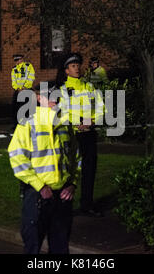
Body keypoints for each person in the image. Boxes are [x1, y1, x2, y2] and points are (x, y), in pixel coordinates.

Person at [8, 81, 80, 254]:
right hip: (37, 196)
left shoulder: (65, 125)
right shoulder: (27, 124)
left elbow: (76, 159)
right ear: (39, 98)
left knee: (61, 247)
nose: (54, 100)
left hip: (62, 196)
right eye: (50, 96)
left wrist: (72, 184)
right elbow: (17, 158)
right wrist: (40, 186)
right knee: (33, 247)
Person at [57, 53, 104, 217]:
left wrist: (91, 121)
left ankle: (87, 204)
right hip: (73, 135)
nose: (77, 68)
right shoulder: (63, 91)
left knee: (89, 170)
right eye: (73, 66)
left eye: (78, 65)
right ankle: (65, 205)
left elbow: (101, 108)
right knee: (70, 170)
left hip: (89, 134)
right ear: (67, 71)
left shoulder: (89, 87)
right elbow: (61, 113)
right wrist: (76, 122)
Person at [11, 54, 36, 128]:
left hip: (27, 89)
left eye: (18, 60)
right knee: (15, 107)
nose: (17, 62)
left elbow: (31, 77)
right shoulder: (14, 69)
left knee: (28, 108)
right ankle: (17, 124)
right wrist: (18, 88)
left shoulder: (28, 66)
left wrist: (25, 87)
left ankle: (28, 124)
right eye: (16, 60)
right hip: (18, 90)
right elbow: (13, 81)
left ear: (22, 59)